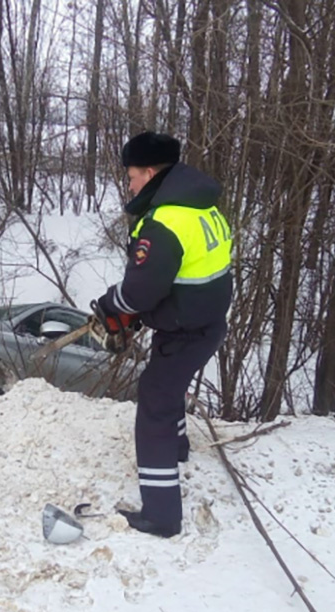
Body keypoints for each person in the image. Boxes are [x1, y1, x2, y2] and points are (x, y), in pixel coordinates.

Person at [92, 131, 232, 538]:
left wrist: (110, 305)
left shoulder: (165, 221)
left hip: (187, 329)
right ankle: (179, 450)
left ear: (150, 172)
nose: (130, 184)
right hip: (202, 323)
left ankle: (162, 515)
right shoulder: (202, 207)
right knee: (167, 387)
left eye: (132, 176)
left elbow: (139, 291)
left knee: (153, 402)